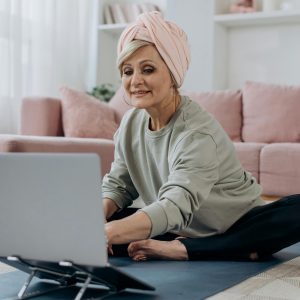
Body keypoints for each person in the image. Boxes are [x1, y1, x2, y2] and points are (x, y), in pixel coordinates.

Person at [102, 11, 300, 261]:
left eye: (148, 69)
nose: (135, 81)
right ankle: (228, 249)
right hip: (177, 225)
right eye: (127, 71)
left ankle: (187, 248)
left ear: (173, 74)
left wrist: (108, 233)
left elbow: (175, 205)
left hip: (236, 224)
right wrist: (97, 220)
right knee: (104, 220)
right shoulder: (130, 123)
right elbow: (119, 185)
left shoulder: (196, 133)